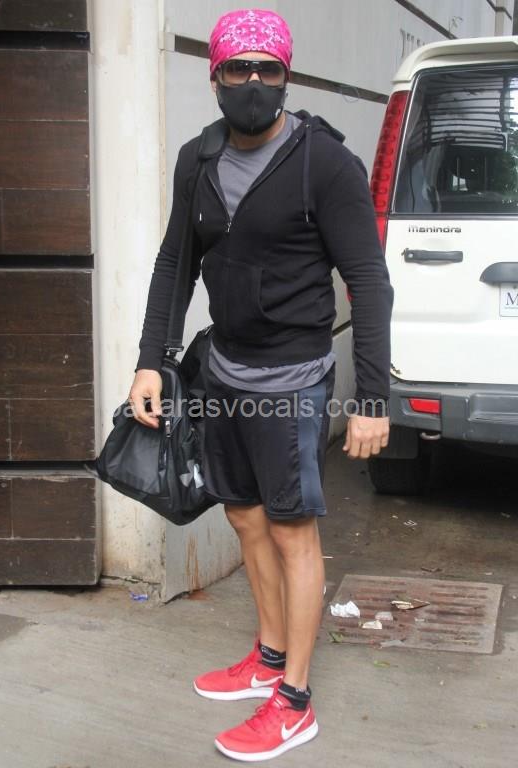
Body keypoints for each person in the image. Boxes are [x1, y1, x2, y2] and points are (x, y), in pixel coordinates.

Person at [128, 8, 393, 762]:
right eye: (237, 69)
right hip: (224, 368)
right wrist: (152, 357)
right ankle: (270, 657)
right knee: (244, 517)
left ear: (286, 76)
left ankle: (295, 702)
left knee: (290, 529)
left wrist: (372, 399)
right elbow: (175, 263)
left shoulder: (324, 164)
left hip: (292, 377)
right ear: (214, 77)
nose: (252, 82)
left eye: (266, 69)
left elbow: (369, 281)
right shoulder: (198, 158)